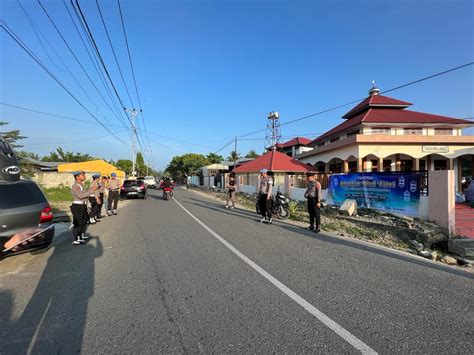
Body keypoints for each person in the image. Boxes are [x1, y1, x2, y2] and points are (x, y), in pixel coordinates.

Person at [70, 171, 98, 245]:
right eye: (82, 175)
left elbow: (85, 193)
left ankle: (81, 235)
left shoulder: (81, 185)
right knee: (78, 222)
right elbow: (81, 196)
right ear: (77, 177)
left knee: (84, 220)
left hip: (83, 205)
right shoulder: (75, 186)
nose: (84, 176)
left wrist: (91, 190)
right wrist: (92, 190)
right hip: (77, 206)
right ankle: (77, 238)